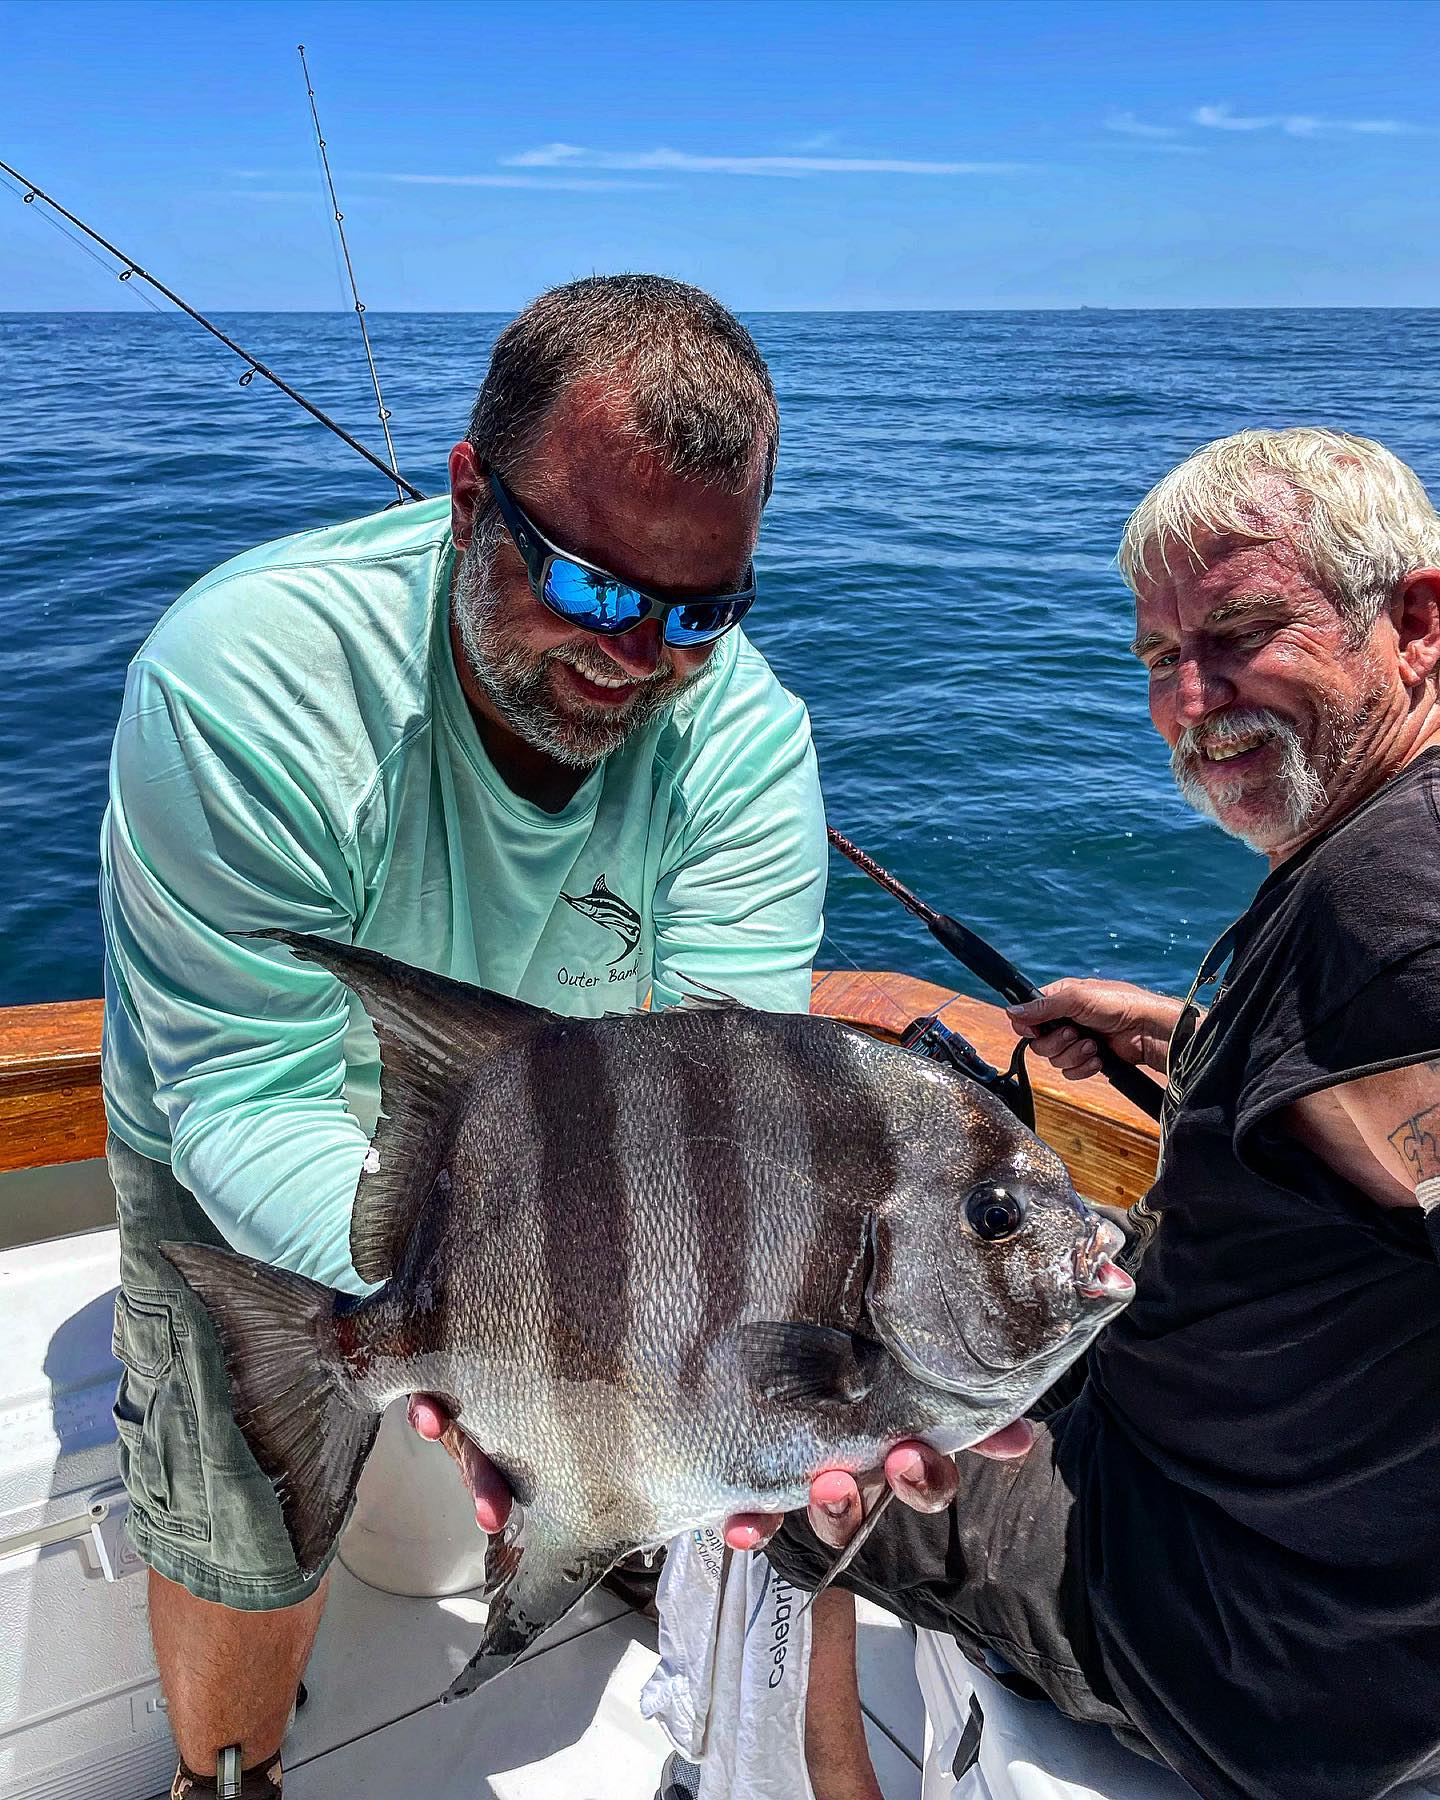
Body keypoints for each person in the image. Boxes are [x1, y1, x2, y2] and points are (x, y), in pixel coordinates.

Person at [100, 274, 835, 1799]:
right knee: (249, 1520)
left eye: (701, 611)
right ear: (465, 496)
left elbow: (729, 1110)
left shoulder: (748, 745)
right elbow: (242, 1084)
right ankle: (220, 1775)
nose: (640, 655)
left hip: (581, 1191)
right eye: (591, 586)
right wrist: (444, 1325)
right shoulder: (248, 682)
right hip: (256, 1132)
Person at [762, 427, 1440, 1800]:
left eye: (1246, 634)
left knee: (759, 1421)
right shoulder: (1381, 868)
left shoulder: (1392, 915)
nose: (1195, 699)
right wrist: (1206, 1049)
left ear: (1417, 621)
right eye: (1156, 663)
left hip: (1227, 1630)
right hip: (1276, 1529)